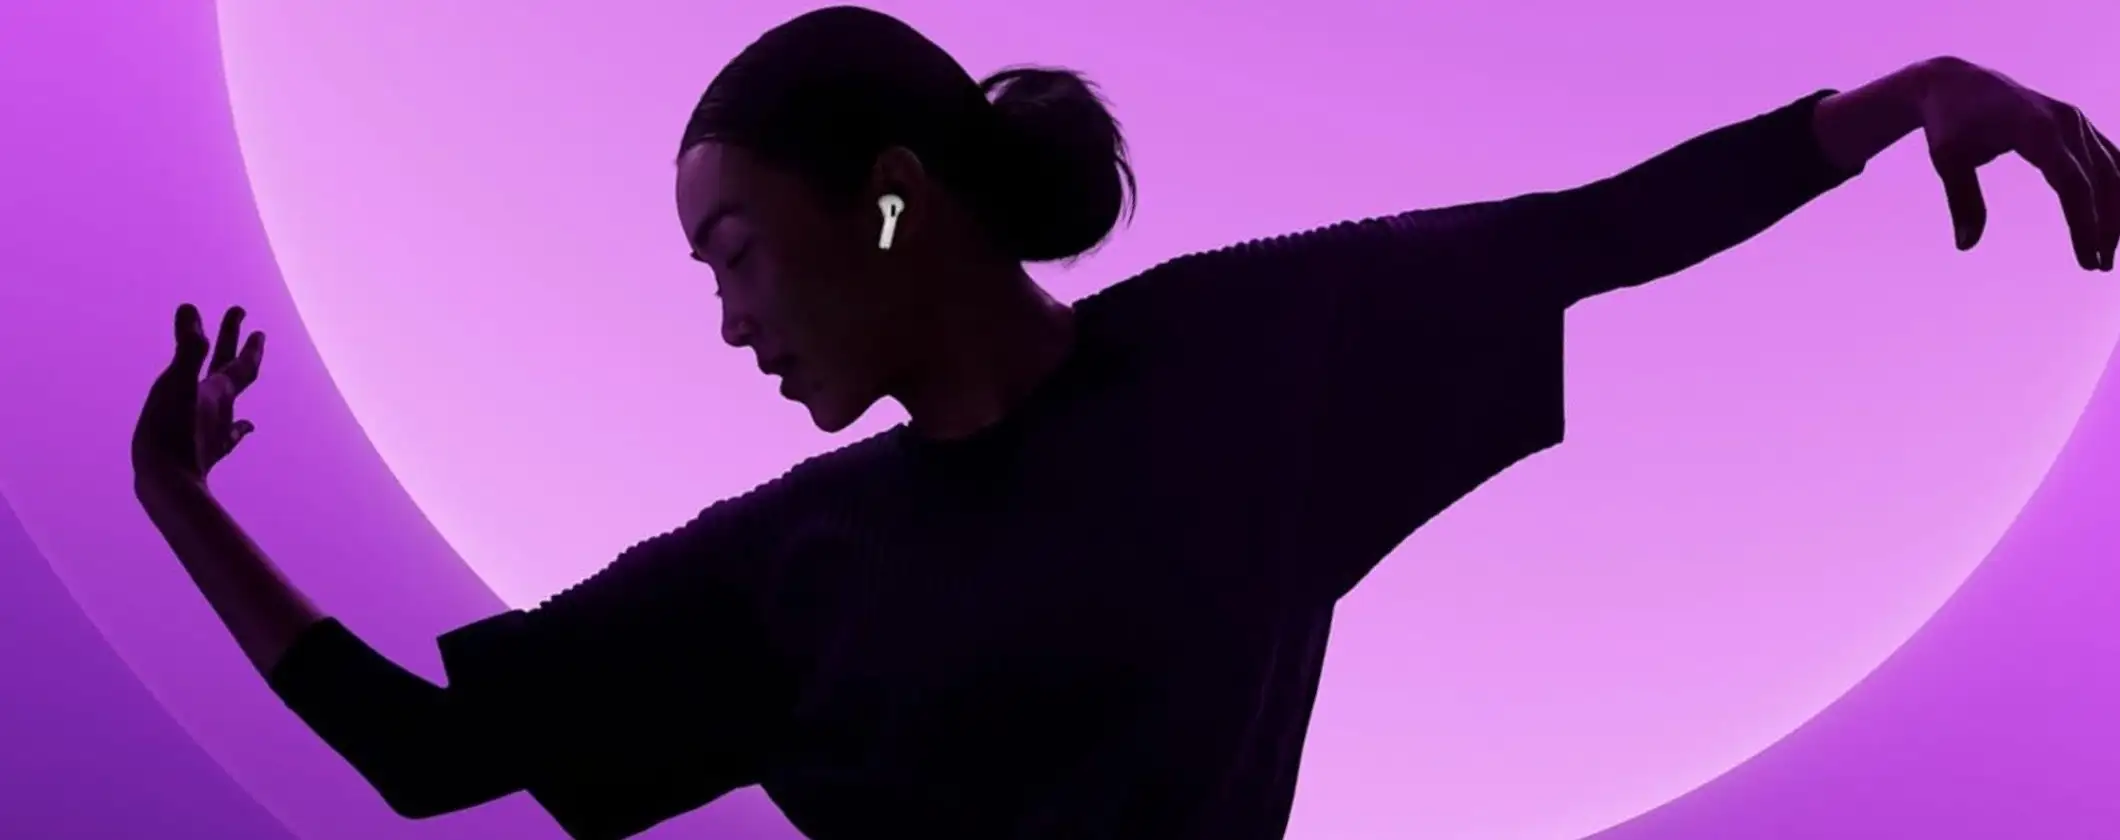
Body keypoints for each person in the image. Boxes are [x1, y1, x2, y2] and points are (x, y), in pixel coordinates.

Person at [129, 6, 2118, 840]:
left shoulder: (1264, 360)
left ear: (889, 201)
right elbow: (427, 754)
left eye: (733, 250)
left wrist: (1892, 104)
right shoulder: (784, 569)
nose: (724, 317)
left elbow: (1591, 234)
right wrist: (181, 506)